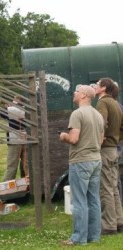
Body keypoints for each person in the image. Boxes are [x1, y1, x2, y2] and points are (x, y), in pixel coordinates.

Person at [60, 85, 104, 245]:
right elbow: (100, 140)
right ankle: (94, 236)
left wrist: (63, 136)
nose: (74, 93)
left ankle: (79, 238)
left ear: (84, 95)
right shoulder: (98, 115)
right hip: (96, 159)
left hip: (80, 161)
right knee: (94, 199)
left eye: (77, 91)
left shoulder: (77, 114)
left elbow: (73, 139)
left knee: (79, 201)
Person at [95, 77, 123, 235]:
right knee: (114, 188)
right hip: (115, 149)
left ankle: (108, 225)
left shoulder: (103, 102)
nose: (95, 87)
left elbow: (101, 122)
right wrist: (115, 138)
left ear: (103, 88)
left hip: (105, 149)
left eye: (97, 85)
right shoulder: (116, 104)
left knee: (105, 188)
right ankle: (119, 221)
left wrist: (100, 139)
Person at [0, 95, 28, 181]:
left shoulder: (13, 110)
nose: (13, 101)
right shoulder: (27, 109)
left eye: (14, 100)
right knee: (26, 165)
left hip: (15, 140)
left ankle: (7, 185)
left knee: (12, 166)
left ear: (17, 101)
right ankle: (27, 183)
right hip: (27, 139)